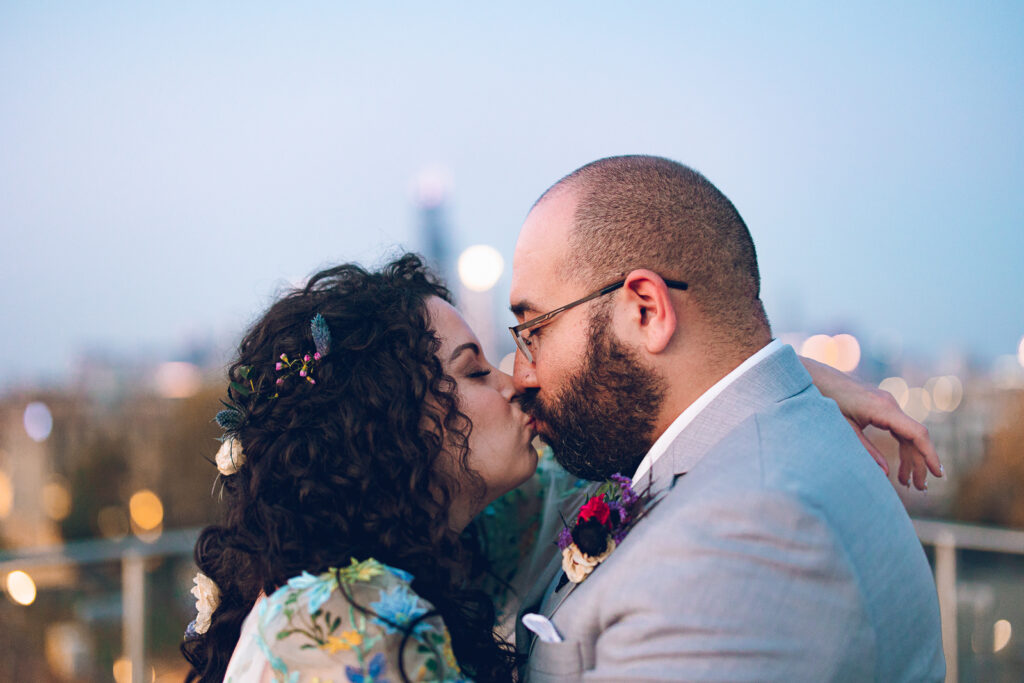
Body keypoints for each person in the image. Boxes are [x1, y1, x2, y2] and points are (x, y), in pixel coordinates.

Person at [509, 155, 945, 681]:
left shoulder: (741, 538)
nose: (520, 374)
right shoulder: (765, 442)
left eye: (534, 331)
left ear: (645, 310)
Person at [181, 255, 533, 682]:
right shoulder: (351, 626)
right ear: (390, 423)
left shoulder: (353, 589)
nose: (513, 384)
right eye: (475, 371)